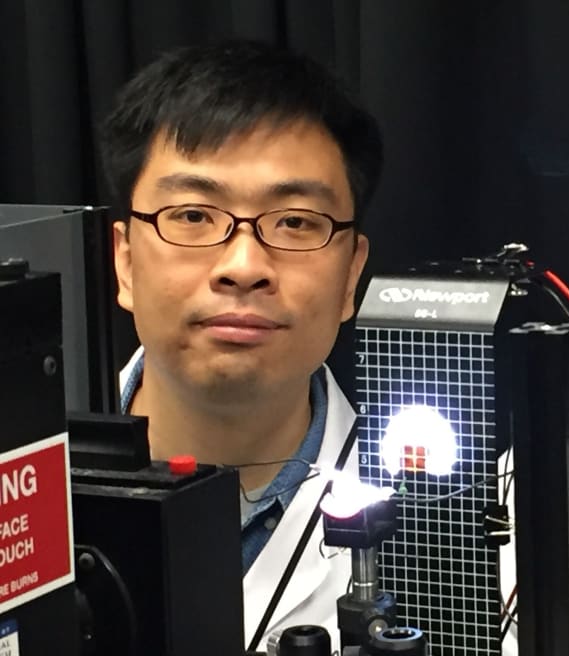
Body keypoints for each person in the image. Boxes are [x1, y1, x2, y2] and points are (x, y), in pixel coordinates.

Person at [98, 40, 381, 647]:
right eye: (193, 216)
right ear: (125, 261)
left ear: (351, 276)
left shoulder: (448, 533)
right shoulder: (23, 488)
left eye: (296, 222)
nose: (244, 266)